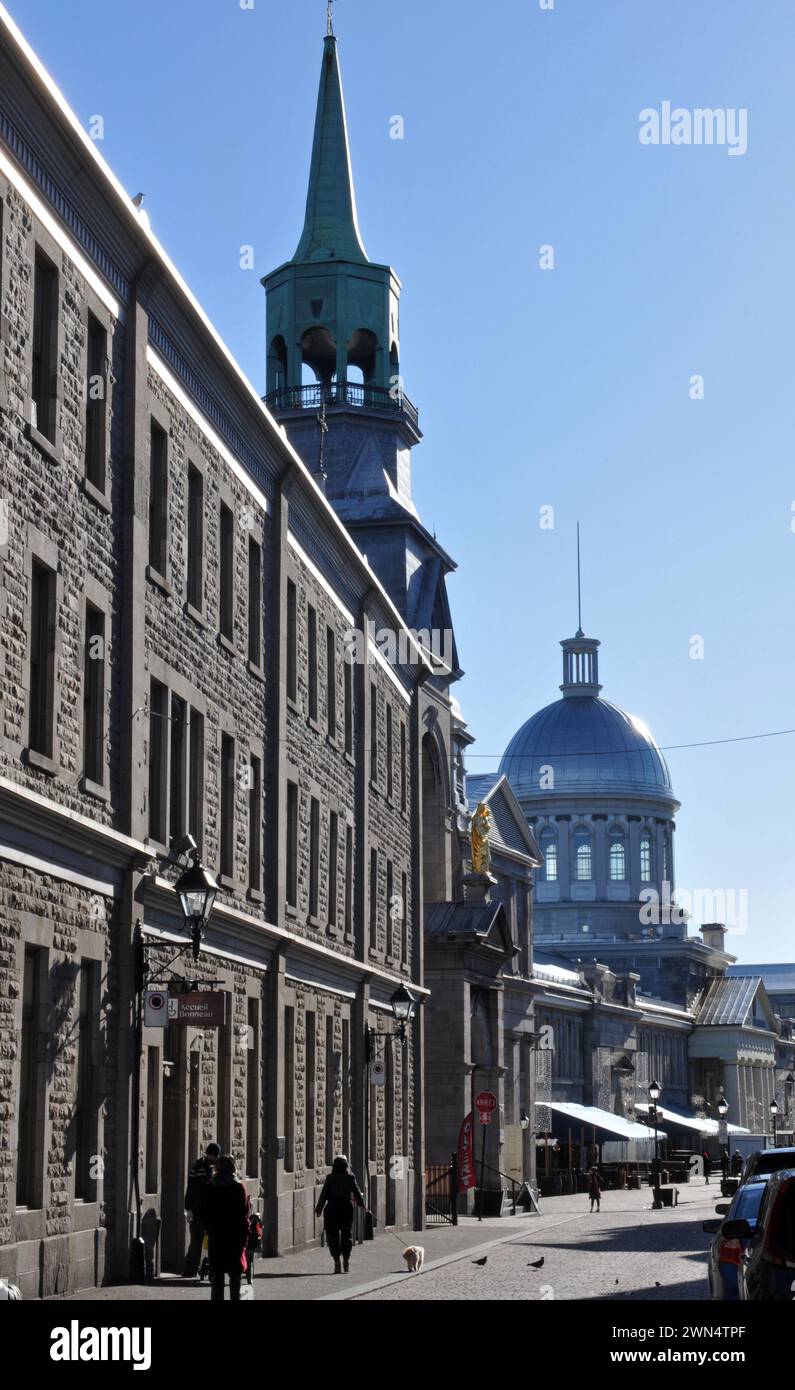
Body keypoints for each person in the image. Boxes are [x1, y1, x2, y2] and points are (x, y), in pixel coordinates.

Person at [199, 1154, 250, 1301]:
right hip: (234, 1237)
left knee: (217, 1278)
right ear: (233, 1168)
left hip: (217, 1237)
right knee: (235, 1278)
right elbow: (244, 1214)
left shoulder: (210, 1187)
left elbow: (203, 1212)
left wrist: (210, 1228)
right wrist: (245, 1236)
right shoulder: (238, 1187)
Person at [315, 1155, 365, 1274]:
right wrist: (362, 1205)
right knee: (346, 1235)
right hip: (346, 1209)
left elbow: (324, 1195)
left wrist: (319, 1209)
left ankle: (337, 1262)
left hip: (331, 1209)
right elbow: (357, 1192)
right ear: (346, 1166)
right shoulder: (350, 1178)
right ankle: (346, 1261)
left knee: (332, 1236)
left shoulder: (330, 1178)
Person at [183, 1142, 220, 1277]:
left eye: (214, 1156)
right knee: (196, 1242)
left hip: (213, 1212)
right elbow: (190, 1188)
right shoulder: (198, 1166)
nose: (212, 1158)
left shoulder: (220, 1167)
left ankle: (213, 1268)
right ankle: (190, 1269)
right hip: (198, 1210)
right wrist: (189, 1208)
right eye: (210, 1155)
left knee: (214, 1242)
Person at [245, 1209, 263, 1286]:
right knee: (250, 1261)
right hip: (250, 1244)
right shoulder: (254, 1219)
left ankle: (248, 1276)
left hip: (245, 1243)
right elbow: (261, 1227)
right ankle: (249, 1278)